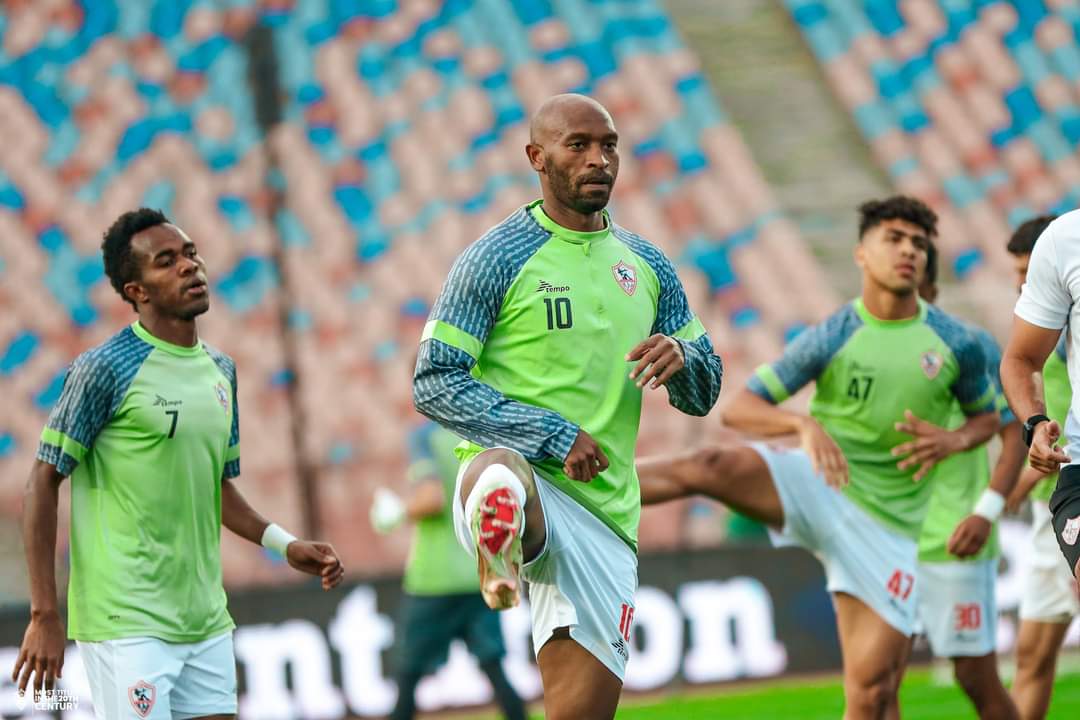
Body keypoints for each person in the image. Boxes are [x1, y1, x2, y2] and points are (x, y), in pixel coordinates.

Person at [413, 93, 723, 720]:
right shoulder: (495, 257)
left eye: (608, 145)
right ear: (537, 157)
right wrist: (552, 435)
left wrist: (684, 359)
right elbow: (433, 380)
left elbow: (705, 391)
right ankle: (498, 533)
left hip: (604, 512)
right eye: (577, 145)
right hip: (522, 474)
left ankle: (505, 528)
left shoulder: (648, 264)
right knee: (501, 471)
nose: (598, 159)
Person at [636, 196, 998, 720]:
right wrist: (803, 425)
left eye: (919, 244)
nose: (909, 251)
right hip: (821, 482)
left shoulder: (957, 342)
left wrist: (955, 440)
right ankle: (583, 489)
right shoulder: (834, 333)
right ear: (861, 253)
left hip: (888, 528)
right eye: (894, 239)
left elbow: (987, 420)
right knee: (710, 466)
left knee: (873, 694)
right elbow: (739, 409)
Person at [11, 209, 344, 717]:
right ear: (137, 291)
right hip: (127, 621)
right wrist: (44, 614)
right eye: (166, 261)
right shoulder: (104, 369)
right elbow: (42, 481)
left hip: (205, 618)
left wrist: (284, 544)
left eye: (190, 253)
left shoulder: (221, 371)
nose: (189, 266)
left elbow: (215, 488)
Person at [907, 241, 1023, 720]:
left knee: (976, 679)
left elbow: (1014, 433)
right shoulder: (858, 345)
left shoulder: (968, 345)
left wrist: (986, 512)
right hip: (885, 542)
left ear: (931, 289)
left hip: (954, 539)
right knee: (874, 679)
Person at [370, 420, 526, 720]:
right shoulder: (480, 431)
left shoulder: (424, 437)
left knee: (407, 676)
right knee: (495, 670)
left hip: (435, 580)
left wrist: (398, 512)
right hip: (480, 570)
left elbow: (432, 499)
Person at [1001, 211, 1080, 718]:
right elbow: (1020, 369)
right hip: (1057, 497)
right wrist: (1035, 428)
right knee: (1031, 656)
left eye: (1025, 271)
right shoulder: (1039, 329)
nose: (1021, 283)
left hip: (1050, 490)